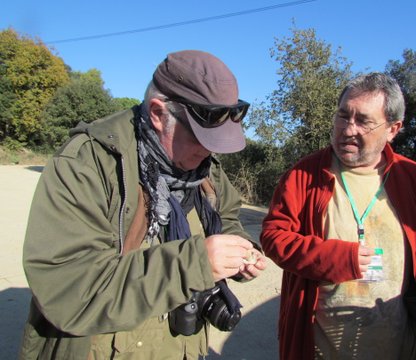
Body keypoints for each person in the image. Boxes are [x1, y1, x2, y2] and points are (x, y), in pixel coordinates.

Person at [19, 50, 266, 359]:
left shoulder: (204, 167)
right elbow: (68, 292)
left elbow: (226, 214)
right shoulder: (88, 163)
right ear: (158, 114)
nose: (210, 151)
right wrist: (196, 263)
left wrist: (240, 248)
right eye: (202, 137)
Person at [260, 72, 416, 360]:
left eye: (363, 120)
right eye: (342, 116)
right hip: (321, 350)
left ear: (392, 129)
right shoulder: (303, 174)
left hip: (402, 349)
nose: (347, 129)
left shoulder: (415, 179)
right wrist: (332, 257)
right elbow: (273, 237)